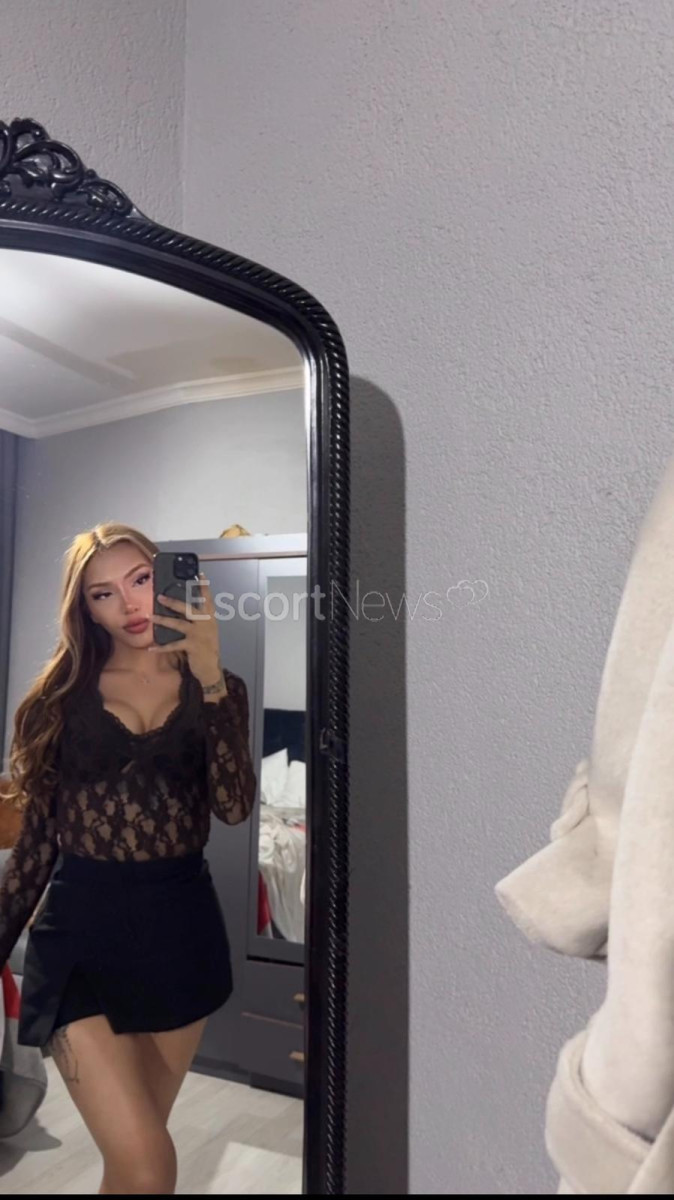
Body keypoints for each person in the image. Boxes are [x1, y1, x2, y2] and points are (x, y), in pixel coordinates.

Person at [0, 522, 257, 1194]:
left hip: (181, 939)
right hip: (78, 941)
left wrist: (209, 677)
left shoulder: (219, 690)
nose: (129, 603)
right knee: (148, 1164)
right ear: (86, 609)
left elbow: (234, 807)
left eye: (141, 579)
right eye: (103, 593)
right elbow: (35, 846)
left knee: (134, 1166)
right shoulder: (57, 702)